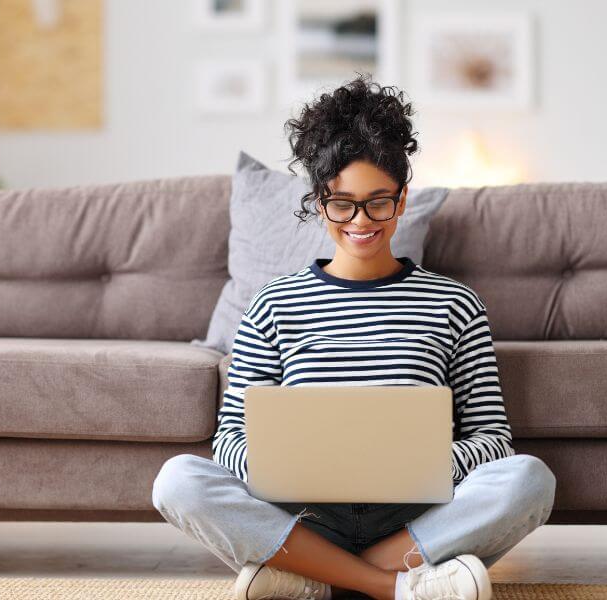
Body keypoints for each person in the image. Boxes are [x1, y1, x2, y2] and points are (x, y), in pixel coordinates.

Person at [152, 73, 556, 600]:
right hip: (304, 514)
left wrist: (422, 465)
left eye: (378, 202)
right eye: (342, 203)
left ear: (403, 198)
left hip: (418, 518)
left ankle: (313, 578)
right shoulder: (273, 304)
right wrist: (282, 470)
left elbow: (493, 442)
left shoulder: (455, 303)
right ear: (320, 203)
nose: (361, 221)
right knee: (178, 480)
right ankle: (397, 588)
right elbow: (229, 440)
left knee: (529, 479)